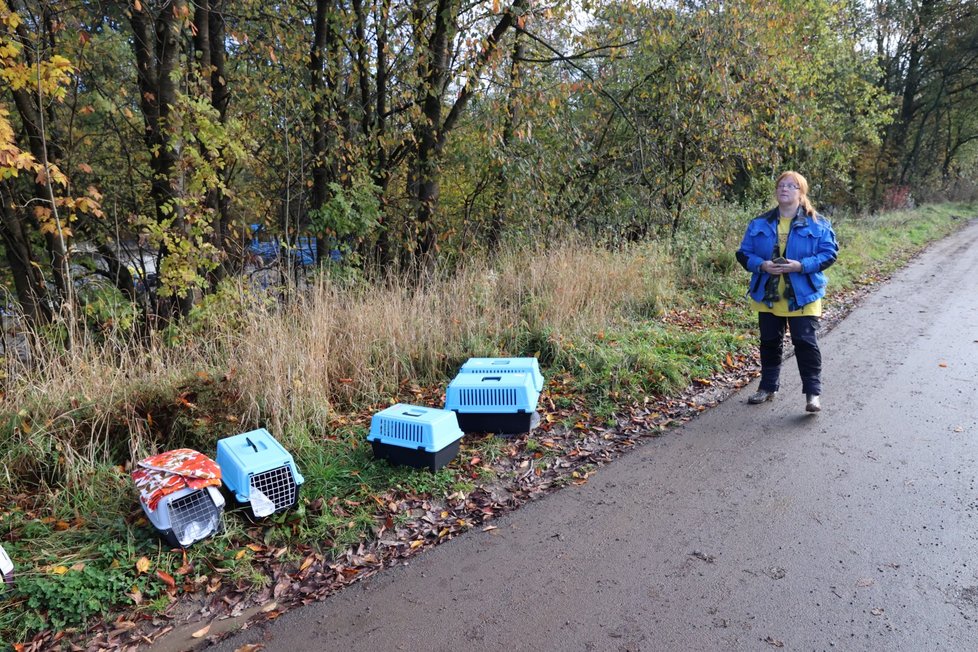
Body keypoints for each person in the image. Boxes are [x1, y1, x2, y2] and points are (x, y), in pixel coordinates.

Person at [735, 171, 839, 413]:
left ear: (801, 193)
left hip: (804, 295)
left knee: (806, 343)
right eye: (781, 185)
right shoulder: (759, 223)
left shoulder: (818, 223)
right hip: (768, 296)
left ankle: (812, 394)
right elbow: (743, 253)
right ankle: (768, 388)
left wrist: (801, 266)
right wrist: (761, 265)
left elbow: (829, 253)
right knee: (770, 342)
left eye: (791, 186)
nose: (785, 189)